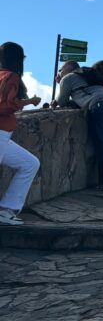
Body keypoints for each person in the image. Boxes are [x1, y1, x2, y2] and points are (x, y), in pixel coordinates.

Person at [54, 61, 103, 189]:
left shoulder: (68, 78)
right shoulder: (86, 75)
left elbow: (62, 102)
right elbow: (82, 98)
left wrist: (60, 83)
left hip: (100, 107)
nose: (59, 73)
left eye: (61, 70)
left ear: (69, 68)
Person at [0, 42, 42, 226]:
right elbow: (4, 106)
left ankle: (7, 209)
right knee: (30, 164)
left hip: (4, 135)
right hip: (1, 132)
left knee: (30, 163)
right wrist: (29, 101)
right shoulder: (12, 77)